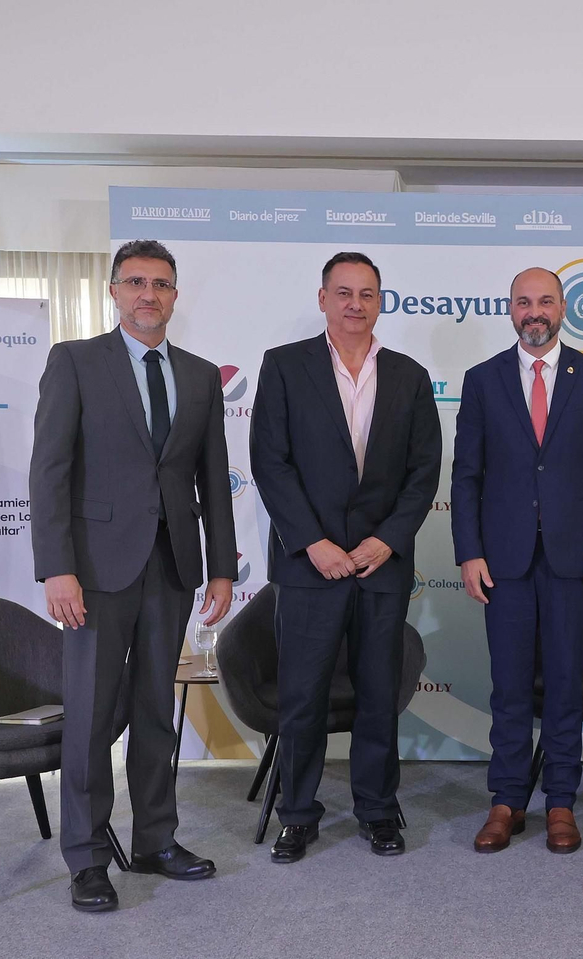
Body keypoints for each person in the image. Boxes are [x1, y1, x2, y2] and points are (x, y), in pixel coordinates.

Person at [30, 239, 236, 912]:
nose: (150, 294)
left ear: (176, 295)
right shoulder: (75, 361)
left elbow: (212, 480)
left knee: (156, 710)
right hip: (92, 570)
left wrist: (222, 568)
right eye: (137, 282)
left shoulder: (202, 376)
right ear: (113, 290)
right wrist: (56, 567)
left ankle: (154, 840)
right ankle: (88, 857)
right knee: (89, 716)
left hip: (172, 564)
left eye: (163, 284)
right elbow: (50, 472)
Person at [249, 251, 441, 863]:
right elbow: (270, 462)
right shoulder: (284, 367)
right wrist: (313, 542)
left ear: (380, 301)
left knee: (378, 697)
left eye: (367, 293)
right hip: (311, 566)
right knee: (302, 698)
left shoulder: (409, 375)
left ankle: (378, 811)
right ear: (324, 298)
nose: (355, 304)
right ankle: (298, 814)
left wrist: (387, 539)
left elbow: (423, 471)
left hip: (382, 565)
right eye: (344, 293)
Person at [451, 267, 583, 854]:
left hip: (573, 559)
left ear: (564, 308)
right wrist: (469, 551)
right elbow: (467, 474)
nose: (536, 311)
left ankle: (561, 801)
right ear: (510, 310)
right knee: (507, 688)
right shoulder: (482, 380)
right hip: (502, 561)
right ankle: (506, 799)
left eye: (546, 302)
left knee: (563, 685)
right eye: (524, 302)